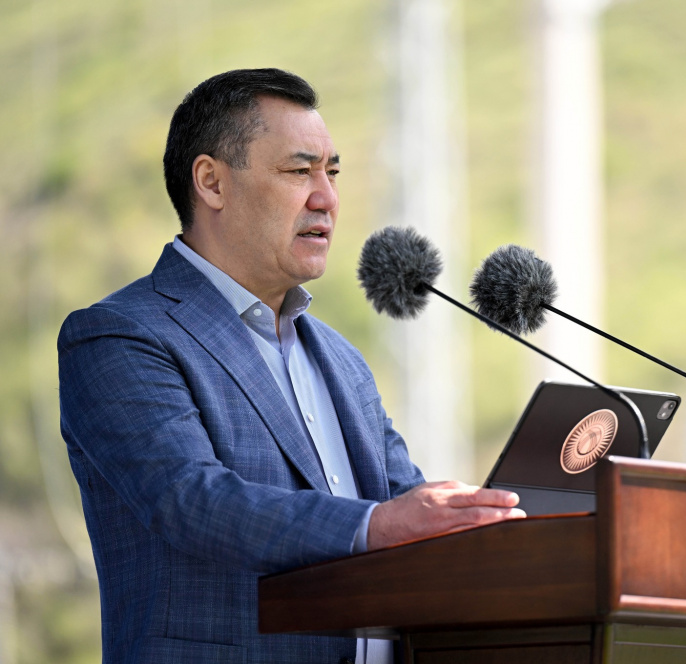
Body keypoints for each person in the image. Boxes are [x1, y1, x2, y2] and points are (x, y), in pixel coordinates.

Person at [57, 68, 524, 664]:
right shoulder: (120, 335)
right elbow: (192, 502)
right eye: (299, 171)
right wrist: (378, 525)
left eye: (332, 173)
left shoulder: (341, 359)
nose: (326, 198)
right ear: (212, 183)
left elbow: (405, 511)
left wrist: (483, 522)